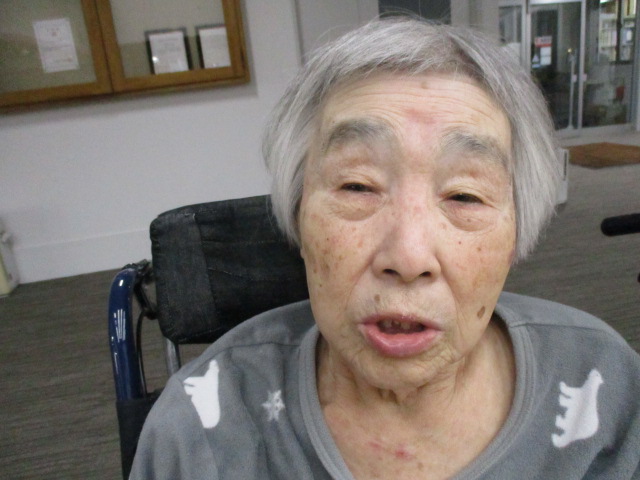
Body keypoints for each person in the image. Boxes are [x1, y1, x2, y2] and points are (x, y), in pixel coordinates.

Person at [130, 18, 640, 479]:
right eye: (357, 186)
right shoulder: (200, 431)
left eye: (465, 195)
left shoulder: (607, 391)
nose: (409, 257)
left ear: (516, 236)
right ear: (298, 217)